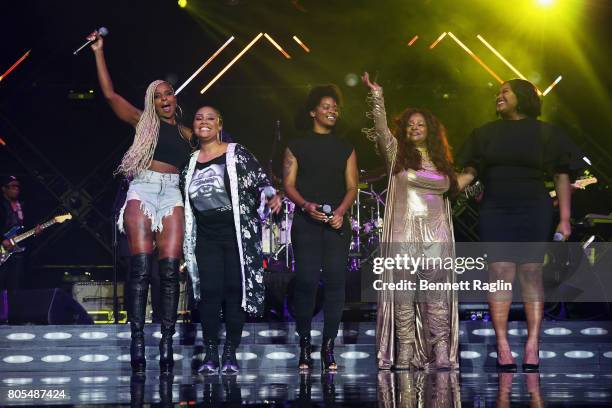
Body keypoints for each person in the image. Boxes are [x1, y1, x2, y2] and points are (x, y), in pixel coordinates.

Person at [89, 34, 193, 374]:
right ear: (152, 101)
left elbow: (217, 152)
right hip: (143, 190)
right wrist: (99, 52)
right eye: (157, 95)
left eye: (168, 94)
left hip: (173, 193)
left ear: (174, 99)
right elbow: (109, 94)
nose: (164, 99)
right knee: (141, 268)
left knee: (168, 273)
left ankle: (165, 342)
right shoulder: (142, 122)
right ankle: (137, 340)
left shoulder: (187, 133)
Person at [457, 78, 573, 372]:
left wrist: (564, 218)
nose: (499, 95)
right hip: (495, 207)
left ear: (521, 97)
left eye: (505, 91)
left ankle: (533, 344)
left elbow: (561, 175)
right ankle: (503, 345)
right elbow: (469, 170)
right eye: (498, 92)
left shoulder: (546, 132)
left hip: (533, 207)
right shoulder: (485, 133)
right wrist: (447, 185)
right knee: (500, 272)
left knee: (531, 272)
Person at [362, 73, 459, 370]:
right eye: (410, 124)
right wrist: (377, 96)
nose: (415, 127)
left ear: (430, 130)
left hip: (436, 234)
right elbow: (379, 130)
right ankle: (404, 350)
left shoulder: (441, 161)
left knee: (437, 296)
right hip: (404, 232)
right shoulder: (396, 156)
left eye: (421, 124)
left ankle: (440, 350)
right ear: (403, 131)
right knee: (403, 292)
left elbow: (448, 188)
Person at [181, 106, 282, 374]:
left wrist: (271, 194)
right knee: (209, 295)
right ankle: (211, 353)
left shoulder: (235, 152)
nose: (204, 122)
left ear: (219, 124)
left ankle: (230, 353)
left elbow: (261, 180)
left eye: (210, 118)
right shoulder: (190, 162)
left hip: (235, 236)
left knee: (234, 292)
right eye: (199, 118)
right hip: (205, 236)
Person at [283, 84, 359, 371]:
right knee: (305, 281)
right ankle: (304, 344)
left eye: (335, 107)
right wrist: (305, 206)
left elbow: (352, 186)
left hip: (337, 224)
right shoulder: (296, 145)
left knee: (337, 283)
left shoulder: (346, 147)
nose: (332, 111)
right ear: (313, 111)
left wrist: (340, 212)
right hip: (306, 222)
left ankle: (328, 347)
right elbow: (288, 184)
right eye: (326, 106)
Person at [0, 176, 40, 293]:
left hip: (18, 251)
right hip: (3, 249)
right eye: (12, 186)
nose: (16, 189)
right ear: (4, 189)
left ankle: (12, 310)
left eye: (17, 186)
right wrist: (2, 240)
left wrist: (35, 231)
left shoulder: (22, 206)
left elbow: (27, 226)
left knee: (15, 287)